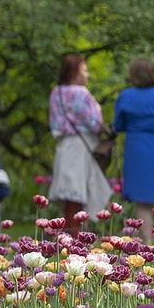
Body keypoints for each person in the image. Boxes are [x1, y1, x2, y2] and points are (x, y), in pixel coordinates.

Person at [48, 53, 112, 236]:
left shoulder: (56, 92)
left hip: (64, 146)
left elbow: (53, 122)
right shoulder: (81, 93)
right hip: (82, 147)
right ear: (74, 71)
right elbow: (94, 122)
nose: (88, 75)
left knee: (70, 196)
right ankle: (76, 240)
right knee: (79, 194)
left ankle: (69, 238)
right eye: (84, 70)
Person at [113, 58, 154, 244]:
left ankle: (148, 244)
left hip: (138, 150)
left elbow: (118, 125)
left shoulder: (126, 96)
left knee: (142, 200)